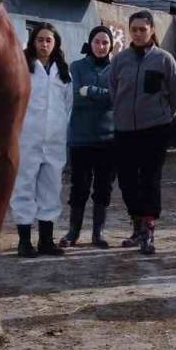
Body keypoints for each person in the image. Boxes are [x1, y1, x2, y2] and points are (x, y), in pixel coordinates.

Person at [109, 10, 176, 255]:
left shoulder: (164, 59)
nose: (138, 34)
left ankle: (149, 230)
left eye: (143, 29)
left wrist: (165, 117)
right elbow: (113, 91)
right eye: (134, 29)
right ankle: (137, 226)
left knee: (150, 178)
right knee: (128, 180)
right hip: (124, 130)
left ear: (152, 30)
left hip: (155, 129)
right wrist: (121, 115)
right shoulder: (119, 60)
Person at [12, 23, 74, 258]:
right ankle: (24, 241)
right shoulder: (22, 67)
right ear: (33, 42)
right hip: (27, 139)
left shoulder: (64, 72)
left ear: (55, 43)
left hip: (55, 140)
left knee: (51, 188)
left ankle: (46, 241)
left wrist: (59, 129)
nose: (45, 44)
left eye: (49, 40)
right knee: (24, 187)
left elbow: (68, 105)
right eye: (40, 39)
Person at [61, 25, 117, 249]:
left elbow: (116, 97)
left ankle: (98, 232)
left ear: (111, 45)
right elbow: (74, 97)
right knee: (79, 186)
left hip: (109, 139)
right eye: (97, 42)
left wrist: (91, 91)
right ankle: (73, 232)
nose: (101, 46)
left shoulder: (115, 69)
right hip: (81, 138)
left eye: (105, 42)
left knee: (104, 187)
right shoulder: (76, 67)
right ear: (90, 43)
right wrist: (98, 96)